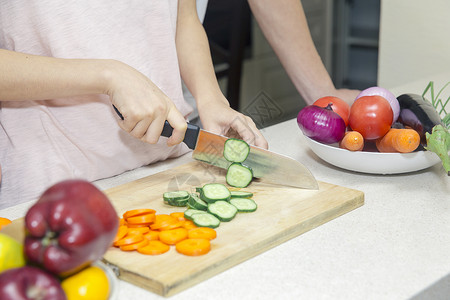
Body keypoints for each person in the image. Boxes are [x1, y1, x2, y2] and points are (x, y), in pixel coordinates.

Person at [0, 1, 267, 209]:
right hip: (53, 185)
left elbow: (183, 19)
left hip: (170, 167)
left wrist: (211, 99)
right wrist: (108, 75)